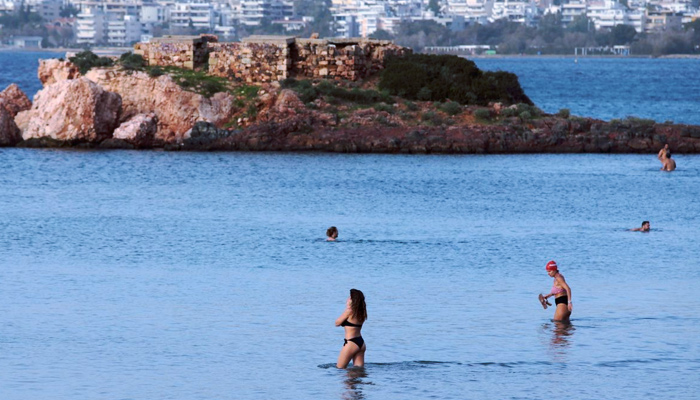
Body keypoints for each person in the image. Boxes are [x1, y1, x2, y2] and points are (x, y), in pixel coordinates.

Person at [335, 289, 367, 368]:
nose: (347, 299)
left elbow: (337, 323)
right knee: (358, 371)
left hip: (351, 343)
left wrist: (348, 308)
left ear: (353, 300)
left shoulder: (349, 311)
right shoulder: (362, 312)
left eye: (349, 298)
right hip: (361, 343)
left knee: (339, 368)